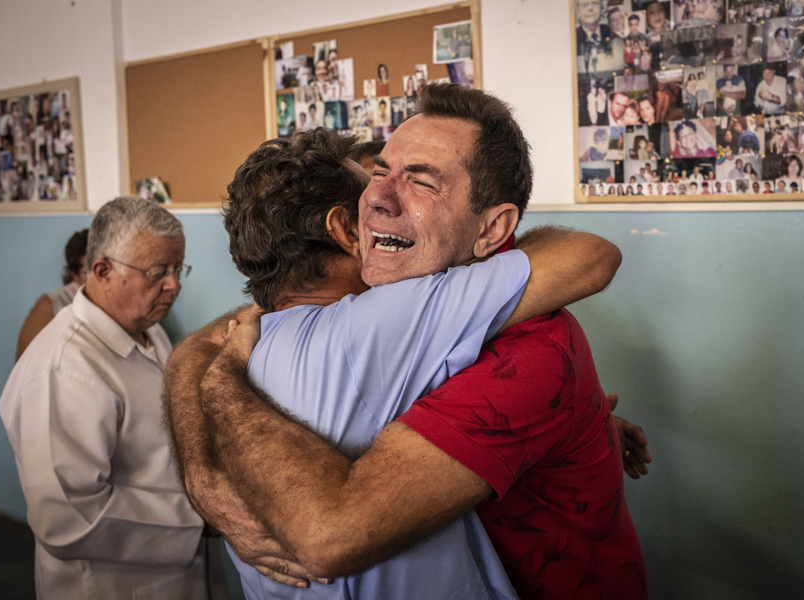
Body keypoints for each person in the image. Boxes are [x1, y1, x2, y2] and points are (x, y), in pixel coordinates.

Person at [168, 85, 650, 600]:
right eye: (378, 172)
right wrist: (202, 472)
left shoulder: (528, 350)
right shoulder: (375, 321)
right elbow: (210, 340)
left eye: (421, 181)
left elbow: (329, 534)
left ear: (491, 229)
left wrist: (218, 391)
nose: (376, 197)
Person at [0, 197, 225, 599]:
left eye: (178, 268)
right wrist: (199, 519)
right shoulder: (63, 369)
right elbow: (68, 519)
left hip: (177, 572)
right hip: (114, 584)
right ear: (102, 271)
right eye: (158, 272)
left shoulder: (145, 326)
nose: (174, 284)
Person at [16, 229, 88, 361]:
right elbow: (25, 367)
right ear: (74, 274)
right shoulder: (49, 307)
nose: (100, 276)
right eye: (88, 271)